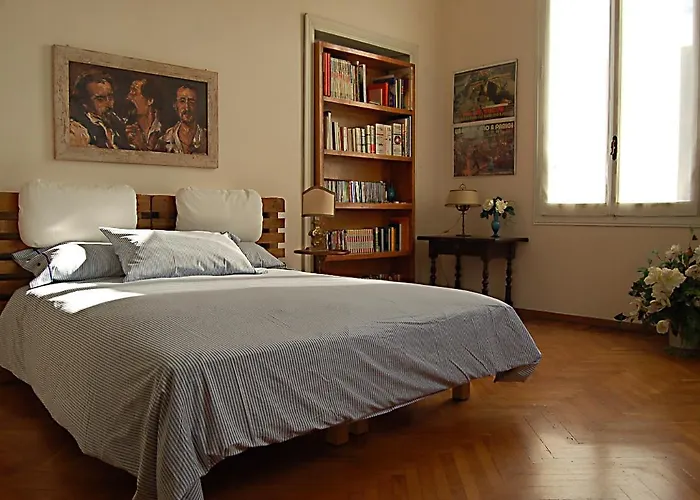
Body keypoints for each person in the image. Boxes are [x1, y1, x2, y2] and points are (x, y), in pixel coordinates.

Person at [69, 69, 130, 149]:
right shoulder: (77, 131)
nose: (109, 104)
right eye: (100, 99)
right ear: (84, 103)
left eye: (110, 97)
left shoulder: (117, 126)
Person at [156, 84, 207, 154]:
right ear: (175, 105)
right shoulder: (164, 141)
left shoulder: (207, 139)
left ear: (198, 106)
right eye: (182, 101)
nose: (187, 108)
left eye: (191, 102)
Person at [124, 77, 163, 151]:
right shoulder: (128, 127)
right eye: (129, 93)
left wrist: (141, 145)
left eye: (134, 93)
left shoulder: (164, 128)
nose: (128, 98)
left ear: (150, 100)